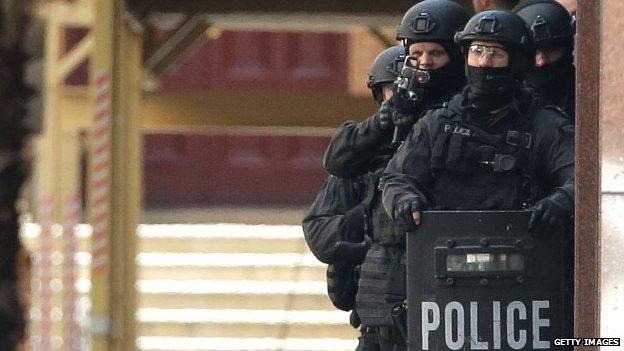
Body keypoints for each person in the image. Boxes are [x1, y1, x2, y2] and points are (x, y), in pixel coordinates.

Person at [381, 10, 575, 239]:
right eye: (476, 51)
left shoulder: (546, 125)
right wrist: (404, 199)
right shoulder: (438, 122)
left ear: (518, 62)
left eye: (495, 53)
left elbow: (584, 179)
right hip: (447, 251)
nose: (484, 62)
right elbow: (397, 178)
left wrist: (563, 201)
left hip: (523, 253)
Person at [302, 45, 405, 351]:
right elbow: (319, 233)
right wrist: (370, 219)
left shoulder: (438, 141)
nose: (401, 98)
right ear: (380, 94)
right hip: (378, 308)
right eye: (392, 89)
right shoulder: (359, 158)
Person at [514, 0, 576, 119]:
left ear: (567, 48)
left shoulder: (587, 92)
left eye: (550, 51)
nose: (541, 61)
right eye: (533, 53)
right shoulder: (505, 99)